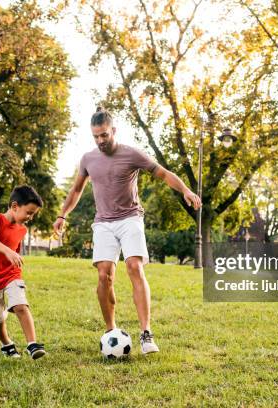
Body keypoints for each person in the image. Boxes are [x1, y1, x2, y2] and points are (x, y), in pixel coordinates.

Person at [53, 107, 201, 354]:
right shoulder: (88, 159)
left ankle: (146, 333)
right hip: (103, 222)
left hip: (130, 217)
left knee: (134, 266)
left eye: (104, 135)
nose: (101, 141)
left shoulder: (131, 154)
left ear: (114, 131)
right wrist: (62, 214)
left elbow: (163, 173)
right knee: (104, 276)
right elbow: (77, 189)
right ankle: (111, 329)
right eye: (96, 136)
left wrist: (185, 190)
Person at [0, 185, 46, 359]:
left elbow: (15, 250)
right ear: (15, 206)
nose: (30, 218)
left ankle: (32, 344)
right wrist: (7, 251)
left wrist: (13, 255)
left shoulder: (22, 229)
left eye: (33, 214)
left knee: (21, 305)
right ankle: (7, 344)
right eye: (29, 212)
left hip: (11, 275)